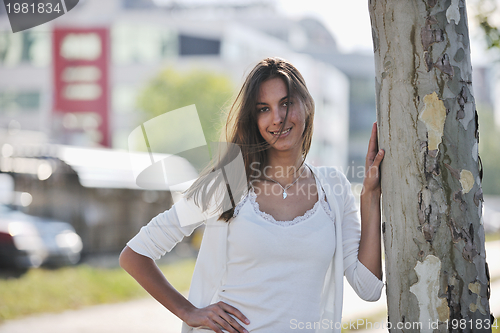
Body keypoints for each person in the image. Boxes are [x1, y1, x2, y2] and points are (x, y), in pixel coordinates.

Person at [119, 57, 385, 333]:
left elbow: (368, 288)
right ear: (253, 119)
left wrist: (370, 196)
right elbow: (135, 254)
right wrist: (189, 312)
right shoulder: (228, 182)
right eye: (263, 109)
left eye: (286, 103)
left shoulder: (333, 187)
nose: (277, 118)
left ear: (307, 104)